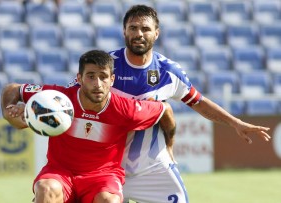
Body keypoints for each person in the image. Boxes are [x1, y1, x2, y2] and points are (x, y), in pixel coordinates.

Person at [66, 5, 271, 203]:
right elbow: (69, 96)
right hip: (107, 170)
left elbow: (199, 102)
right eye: (133, 28)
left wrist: (235, 122)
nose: (139, 33)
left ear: (156, 33)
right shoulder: (105, 67)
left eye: (145, 29)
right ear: (124, 32)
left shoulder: (168, 72)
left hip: (154, 168)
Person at [1, 50, 175, 203]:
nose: (98, 84)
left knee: (109, 200)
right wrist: (8, 113)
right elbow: (13, 89)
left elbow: (165, 110)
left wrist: (169, 146)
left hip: (103, 176)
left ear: (112, 79)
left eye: (103, 77)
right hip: (60, 172)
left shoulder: (126, 110)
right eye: (91, 76)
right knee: (46, 189)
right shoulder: (58, 98)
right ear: (79, 78)